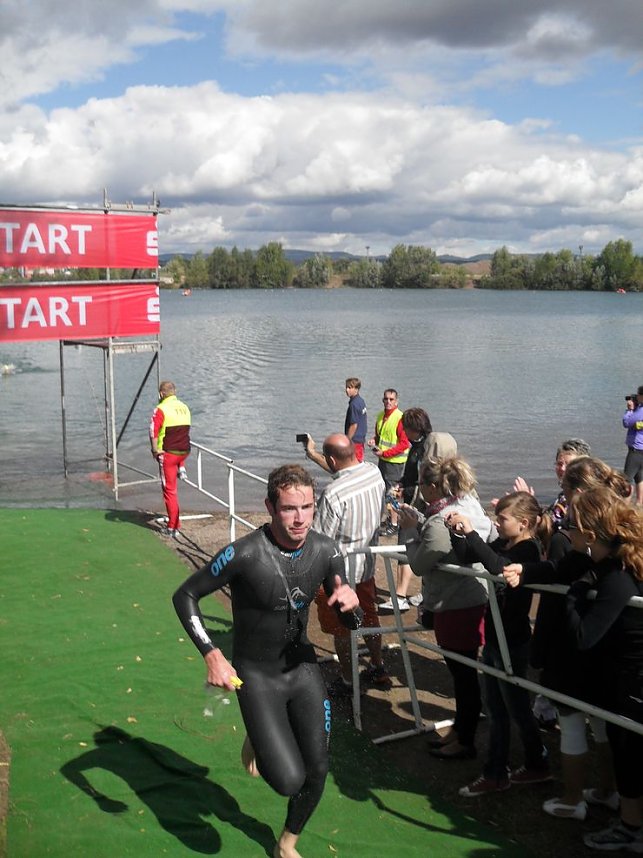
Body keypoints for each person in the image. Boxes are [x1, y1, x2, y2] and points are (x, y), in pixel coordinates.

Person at [172, 464, 362, 858]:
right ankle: (261, 732)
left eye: (307, 507)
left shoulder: (327, 551)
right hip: (256, 677)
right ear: (270, 507)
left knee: (318, 770)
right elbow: (185, 596)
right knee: (289, 781)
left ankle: (285, 845)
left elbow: (348, 616)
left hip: (303, 669)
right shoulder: (243, 554)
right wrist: (212, 654)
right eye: (290, 509)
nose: (300, 519)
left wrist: (351, 608)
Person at [503, 456, 631, 821]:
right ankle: (608, 791)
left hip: (574, 648)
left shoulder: (581, 543)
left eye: (565, 493)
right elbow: (558, 568)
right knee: (604, 725)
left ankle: (573, 799)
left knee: (573, 724)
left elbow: (559, 586)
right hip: (605, 651)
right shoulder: (617, 540)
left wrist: (539, 655)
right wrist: (527, 570)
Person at [446, 492, 552, 796]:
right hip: (496, 638)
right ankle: (530, 763)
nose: (497, 522)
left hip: (513, 641)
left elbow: (497, 568)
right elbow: (470, 555)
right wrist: (457, 534)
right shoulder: (506, 543)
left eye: (502, 519)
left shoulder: (528, 550)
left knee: (512, 708)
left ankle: (501, 771)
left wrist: (472, 532)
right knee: (502, 707)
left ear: (524, 523)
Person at [400, 456, 496, 760]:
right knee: (464, 674)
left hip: (455, 604)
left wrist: (410, 532)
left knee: (463, 676)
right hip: (473, 599)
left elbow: (421, 561)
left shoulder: (442, 518)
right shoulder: (467, 505)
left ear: (432, 487)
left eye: (422, 484)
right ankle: (460, 730)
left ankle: (465, 740)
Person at [564, 488, 643, 852]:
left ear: (591, 535)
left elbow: (585, 635)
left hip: (633, 680)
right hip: (627, 674)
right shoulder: (621, 562)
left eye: (571, 527)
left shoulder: (617, 577)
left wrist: (575, 594)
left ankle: (630, 827)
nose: (568, 533)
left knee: (628, 749)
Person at [311, 434, 389, 696]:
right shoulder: (374, 473)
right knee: (369, 616)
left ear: (331, 460)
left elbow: (320, 539)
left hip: (340, 576)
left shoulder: (333, 494)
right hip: (365, 564)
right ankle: (378, 665)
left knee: (341, 627)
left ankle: (347, 679)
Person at [378, 408, 457, 612]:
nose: (402, 432)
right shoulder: (417, 448)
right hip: (416, 501)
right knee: (419, 547)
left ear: (414, 428)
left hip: (417, 506)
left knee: (406, 544)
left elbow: (426, 482)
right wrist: (400, 484)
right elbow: (411, 473)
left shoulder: (426, 449)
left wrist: (405, 489)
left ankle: (400, 596)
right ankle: (420, 591)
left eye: (405, 428)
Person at [149, 380, 191, 537]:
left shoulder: (160, 409)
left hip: (168, 455)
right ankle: (182, 468)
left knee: (169, 491)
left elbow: (153, 431)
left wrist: (154, 450)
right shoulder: (184, 407)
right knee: (178, 438)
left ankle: (173, 526)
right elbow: (184, 431)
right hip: (184, 451)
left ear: (161, 394)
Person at [367, 389, 410, 535]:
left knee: (392, 493)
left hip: (395, 462)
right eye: (386, 399)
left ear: (396, 401)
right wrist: (374, 440)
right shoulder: (381, 416)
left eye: (391, 399)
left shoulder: (400, 418)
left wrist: (385, 452)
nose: (388, 402)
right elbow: (380, 436)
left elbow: (404, 444)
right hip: (383, 460)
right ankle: (391, 518)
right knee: (384, 491)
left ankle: (394, 524)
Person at [623, 386, 643, 504]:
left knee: (626, 481)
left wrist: (630, 410)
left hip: (636, 451)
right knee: (640, 478)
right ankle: (640, 505)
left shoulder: (640, 411)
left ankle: (624, 508)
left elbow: (627, 422)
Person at [344, 378, 368, 462]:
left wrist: (348, 441)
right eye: (346, 387)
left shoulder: (354, 404)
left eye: (350, 388)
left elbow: (354, 425)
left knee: (354, 464)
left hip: (355, 441)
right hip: (360, 440)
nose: (347, 390)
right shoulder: (361, 401)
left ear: (357, 389)